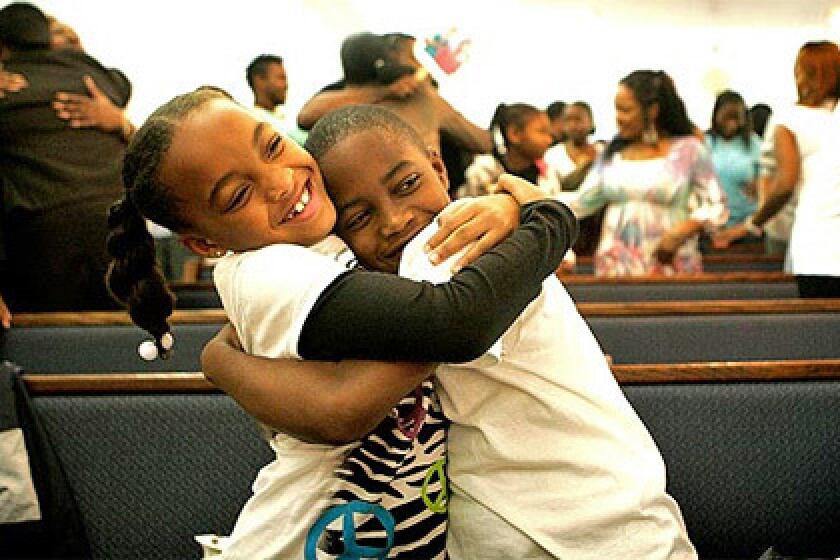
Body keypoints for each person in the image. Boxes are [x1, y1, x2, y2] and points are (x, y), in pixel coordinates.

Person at [206, 104, 697, 559]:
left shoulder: (448, 246)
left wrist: (220, 361)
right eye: (359, 217)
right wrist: (524, 208)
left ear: (439, 169)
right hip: (566, 517)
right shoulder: (394, 275)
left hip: (575, 529)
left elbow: (449, 325)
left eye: (406, 185)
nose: (396, 220)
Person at [106, 87, 575, 558]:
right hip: (305, 540)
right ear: (205, 244)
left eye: (271, 147)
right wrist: (547, 217)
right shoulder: (269, 271)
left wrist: (502, 209)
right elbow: (452, 322)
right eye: (238, 195)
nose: (279, 181)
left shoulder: (313, 250)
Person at [0, 2, 130, 317]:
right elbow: (122, 85)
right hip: (121, 229)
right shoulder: (90, 77)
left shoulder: (9, 91)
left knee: (49, 350)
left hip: (43, 242)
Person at [560, 70, 728, 276]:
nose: (618, 118)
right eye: (616, 110)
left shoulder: (689, 150)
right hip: (615, 266)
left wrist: (682, 230)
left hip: (670, 263)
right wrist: (535, 201)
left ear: (653, 110)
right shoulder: (613, 154)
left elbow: (716, 204)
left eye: (625, 110)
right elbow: (582, 201)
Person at [714, 41, 840, 297]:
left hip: (821, 244)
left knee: (820, 327)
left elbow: (785, 183)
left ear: (804, 74)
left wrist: (752, 224)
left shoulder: (790, 120)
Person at [297, 32, 491, 159]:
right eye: (408, 56)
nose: (414, 64)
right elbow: (482, 141)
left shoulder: (418, 94)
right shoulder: (413, 97)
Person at [458, 103, 557, 198]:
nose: (549, 140)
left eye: (549, 133)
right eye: (542, 131)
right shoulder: (485, 170)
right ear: (514, 134)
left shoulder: (546, 173)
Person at [705, 90, 761, 231]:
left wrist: (757, 186)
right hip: (712, 222)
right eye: (727, 117)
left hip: (746, 222)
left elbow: (766, 180)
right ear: (716, 115)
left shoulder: (754, 143)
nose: (732, 123)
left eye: (736, 118)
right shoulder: (706, 143)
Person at [246, 53, 307, 146]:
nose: (286, 85)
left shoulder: (286, 118)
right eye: (281, 78)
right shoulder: (255, 122)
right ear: (260, 81)